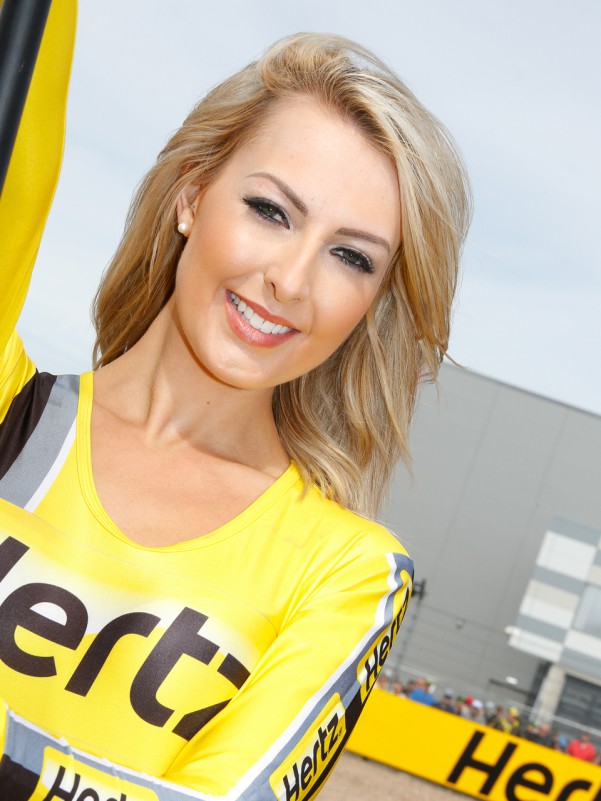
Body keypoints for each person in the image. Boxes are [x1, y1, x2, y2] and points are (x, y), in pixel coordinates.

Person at [0, 2, 470, 799]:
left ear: (373, 303)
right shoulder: (10, 401)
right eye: (269, 210)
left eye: (351, 256)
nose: (291, 279)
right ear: (191, 195)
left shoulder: (345, 573)